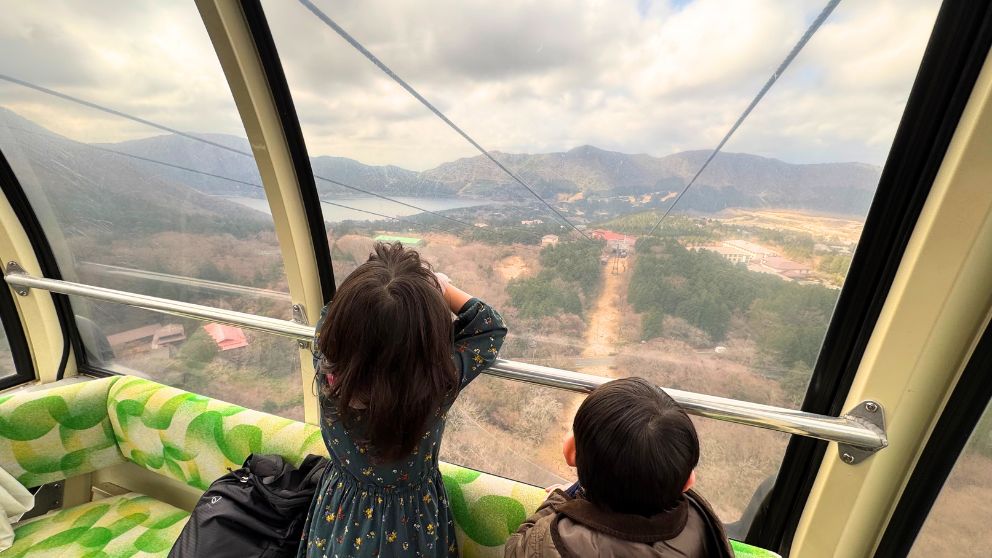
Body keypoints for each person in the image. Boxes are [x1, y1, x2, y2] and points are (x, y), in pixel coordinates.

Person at [298, 242, 507, 557]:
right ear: (429, 341)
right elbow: (489, 327)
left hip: (341, 509)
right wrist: (444, 289)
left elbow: (331, 315)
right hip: (412, 522)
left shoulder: (328, 363)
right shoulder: (436, 384)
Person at [505, 377, 734, 557]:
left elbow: (518, 546)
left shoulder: (559, 540)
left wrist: (564, 499)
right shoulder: (702, 523)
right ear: (687, 482)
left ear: (571, 452)